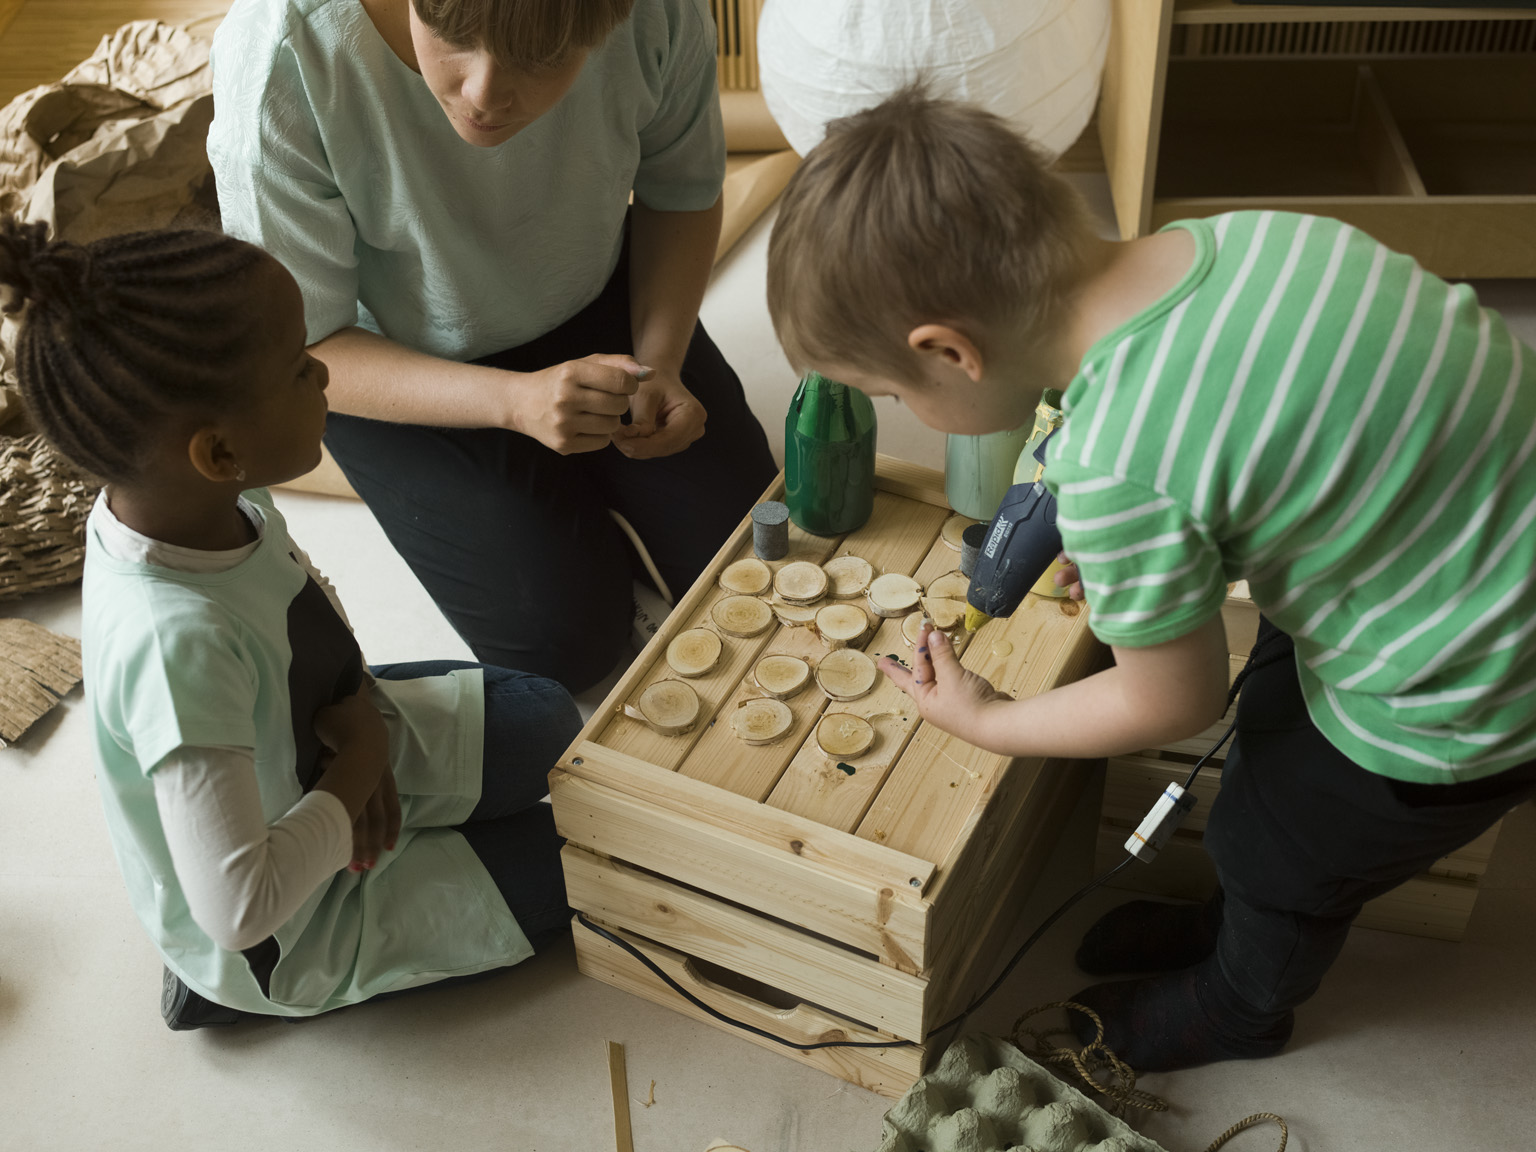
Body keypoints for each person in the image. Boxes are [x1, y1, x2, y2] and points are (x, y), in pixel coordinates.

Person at [763, 87, 1536, 1072]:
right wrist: (1144, 545)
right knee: (1273, 721)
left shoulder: (1120, 465)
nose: (898, 412)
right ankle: (1242, 919)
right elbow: (1261, 427)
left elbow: (1172, 700)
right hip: (1473, 535)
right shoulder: (1237, 239)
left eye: (889, 393)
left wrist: (989, 719)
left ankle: (1243, 1005)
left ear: (950, 353)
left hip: (1472, 683)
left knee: (1277, 844)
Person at [0, 217, 583, 1027]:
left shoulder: (200, 500)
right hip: (285, 921)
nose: (320, 370)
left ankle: (380, 812)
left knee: (553, 721)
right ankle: (215, 990)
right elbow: (240, 908)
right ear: (218, 451)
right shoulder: (175, 646)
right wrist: (357, 771)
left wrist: (352, 732)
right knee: (581, 867)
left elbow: (296, 604)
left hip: (320, 745)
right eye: (297, 368)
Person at [207, 0, 777, 694]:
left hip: (591, 291)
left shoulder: (657, 13)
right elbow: (304, 343)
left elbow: (680, 192)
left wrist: (662, 360)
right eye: (451, 38)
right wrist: (514, 401)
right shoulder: (284, 54)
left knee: (756, 558)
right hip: (386, 349)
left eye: (537, 60)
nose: (483, 95)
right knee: (562, 646)